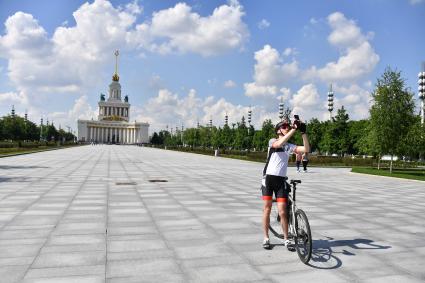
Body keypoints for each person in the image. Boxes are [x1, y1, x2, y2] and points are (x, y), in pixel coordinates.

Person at [262, 118, 310, 249]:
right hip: (268, 179)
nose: (287, 128)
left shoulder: (290, 146)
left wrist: (303, 133)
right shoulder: (273, 141)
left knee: (283, 211)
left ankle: (286, 238)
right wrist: (294, 128)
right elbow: (279, 144)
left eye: (288, 126)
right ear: (278, 130)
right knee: (267, 208)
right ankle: (266, 237)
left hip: (280, 181)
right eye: (284, 126)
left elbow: (307, 149)